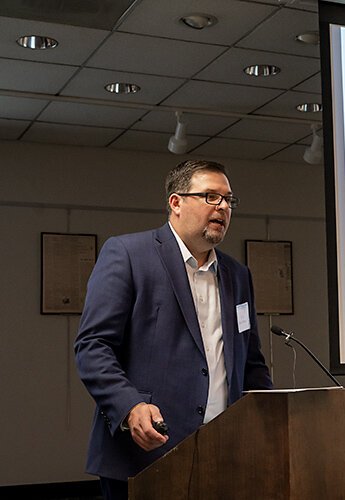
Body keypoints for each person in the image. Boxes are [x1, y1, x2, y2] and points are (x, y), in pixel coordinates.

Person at [74, 160, 273, 499]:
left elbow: (250, 362)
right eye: (210, 196)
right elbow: (93, 346)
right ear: (176, 203)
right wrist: (130, 406)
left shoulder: (238, 275)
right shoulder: (128, 254)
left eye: (228, 200)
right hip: (146, 455)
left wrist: (271, 418)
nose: (223, 207)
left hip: (224, 453)